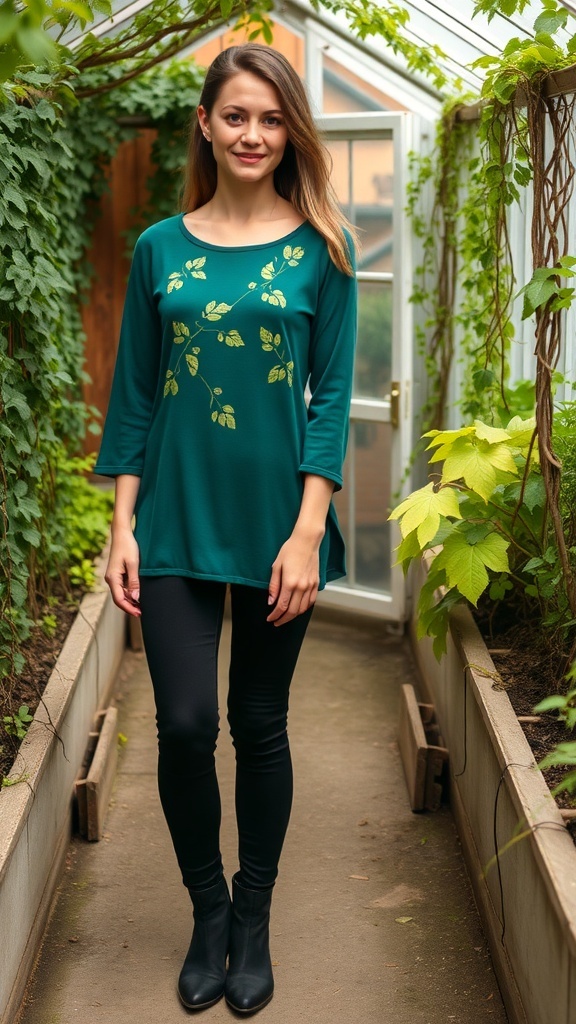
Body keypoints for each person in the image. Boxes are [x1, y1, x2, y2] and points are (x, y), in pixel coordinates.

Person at [95, 42, 357, 1016]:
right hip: (170, 522)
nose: (253, 133)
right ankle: (208, 910)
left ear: (291, 130)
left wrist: (308, 529)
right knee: (187, 724)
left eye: (271, 117)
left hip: (279, 532)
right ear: (206, 124)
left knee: (258, 724)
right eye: (236, 115)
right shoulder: (162, 245)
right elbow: (132, 397)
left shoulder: (323, 251)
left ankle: (254, 919)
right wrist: (120, 525)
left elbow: (331, 401)